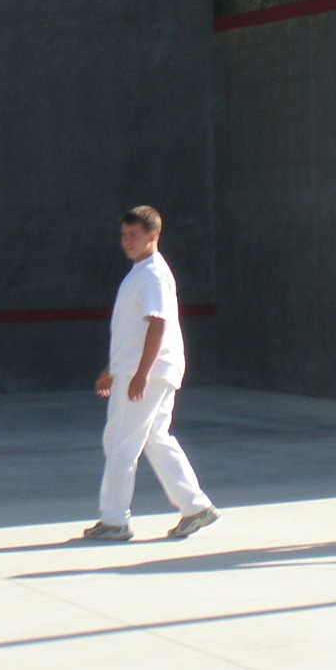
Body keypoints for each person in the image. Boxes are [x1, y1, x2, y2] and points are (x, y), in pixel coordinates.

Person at [82, 206, 218, 542]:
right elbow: (133, 333)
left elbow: (158, 324)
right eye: (124, 235)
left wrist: (141, 374)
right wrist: (113, 369)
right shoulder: (142, 272)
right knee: (155, 439)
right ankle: (195, 507)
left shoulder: (153, 274)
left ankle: (115, 521)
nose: (127, 241)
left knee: (120, 443)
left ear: (152, 236)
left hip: (148, 374)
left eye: (135, 235)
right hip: (146, 371)